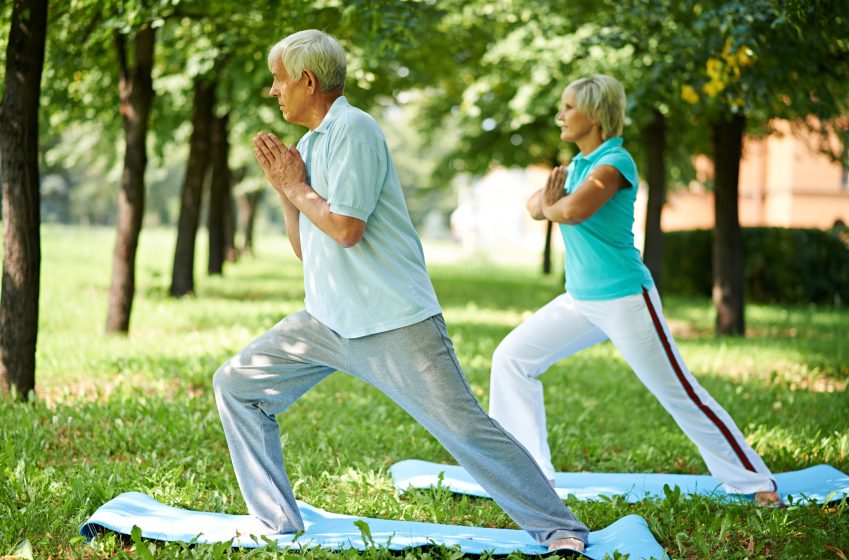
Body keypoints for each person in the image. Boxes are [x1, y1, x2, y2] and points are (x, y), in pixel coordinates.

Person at [212, 29, 589, 553]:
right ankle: (277, 523)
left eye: (278, 80)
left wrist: (296, 185)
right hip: (324, 320)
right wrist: (284, 187)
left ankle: (559, 528)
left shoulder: (354, 129)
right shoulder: (309, 144)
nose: (272, 91)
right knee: (237, 385)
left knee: (466, 430)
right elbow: (308, 249)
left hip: (392, 321)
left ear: (306, 80)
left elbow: (346, 229)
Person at [488, 75, 781, 506]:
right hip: (580, 300)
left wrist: (554, 205)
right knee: (511, 358)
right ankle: (530, 476)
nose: (560, 116)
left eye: (569, 107)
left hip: (625, 299)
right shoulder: (578, 165)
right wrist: (553, 204)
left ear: (595, 114)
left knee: (678, 391)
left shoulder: (615, 163)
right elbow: (536, 206)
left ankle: (756, 482)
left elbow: (571, 209)